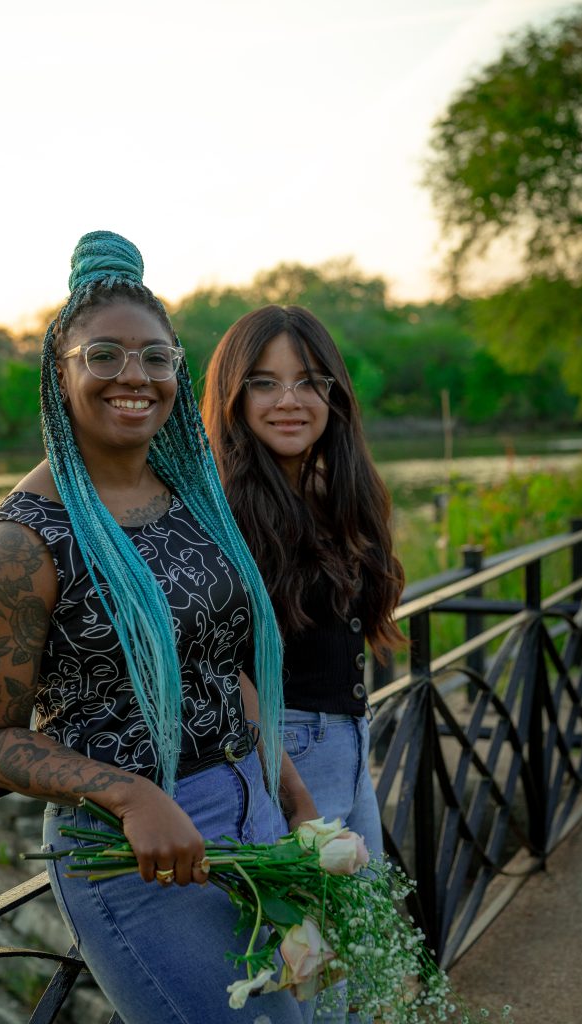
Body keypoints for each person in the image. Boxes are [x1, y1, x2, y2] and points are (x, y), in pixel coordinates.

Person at [0, 232, 316, 1024]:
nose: (134, 378)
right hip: (139, 853)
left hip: (250, 807)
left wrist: (286, 785)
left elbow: (216, 659)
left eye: (156, 358)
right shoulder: (20, 544)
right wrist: (132, 795)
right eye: (104, 355)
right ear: (59, 370)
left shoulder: (192, 498)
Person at [202, 305, 406, 1023]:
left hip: (349, 747)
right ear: (232, 396)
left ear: (334, 396)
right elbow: (224, 663)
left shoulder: (326, 495)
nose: (291, 400)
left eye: (310, 382)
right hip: (288, 759)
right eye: (265, 384)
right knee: (318, 984)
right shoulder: (221, 508)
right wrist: (293, 798)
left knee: (364, 963)